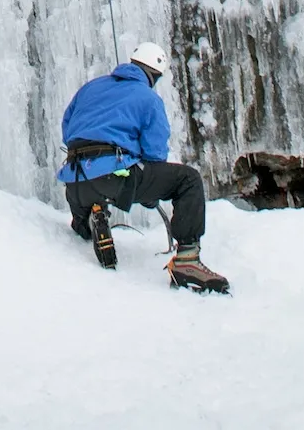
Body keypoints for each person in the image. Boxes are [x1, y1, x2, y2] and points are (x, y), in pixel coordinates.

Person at [57, 39, 229, 292]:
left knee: (83, 230)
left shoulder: (90, 88)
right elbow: (154, 153)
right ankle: (188, 260)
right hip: (116, 177)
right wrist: (151, 188)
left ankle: (91, 218)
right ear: (154, 74)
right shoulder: (148, 98)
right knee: (188, 179)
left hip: (75, 181)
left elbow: (67, 130)